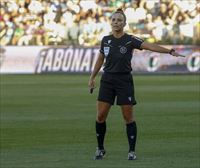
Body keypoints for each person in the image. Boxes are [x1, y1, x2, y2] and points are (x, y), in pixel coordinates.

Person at [88, 8, 184, 160]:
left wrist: (169, 51)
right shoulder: (105, 40)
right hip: (107, 80)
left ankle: (131, 151)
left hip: (124, 81)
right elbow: (100, 59)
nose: (116, 22)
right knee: (100, 116)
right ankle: (100, 149)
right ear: (110, 22)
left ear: (124, 23)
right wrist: (92, 77)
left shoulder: (131, 39)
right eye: (113, 20)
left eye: (119, 20)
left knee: (128, 117)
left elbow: (150, 46)